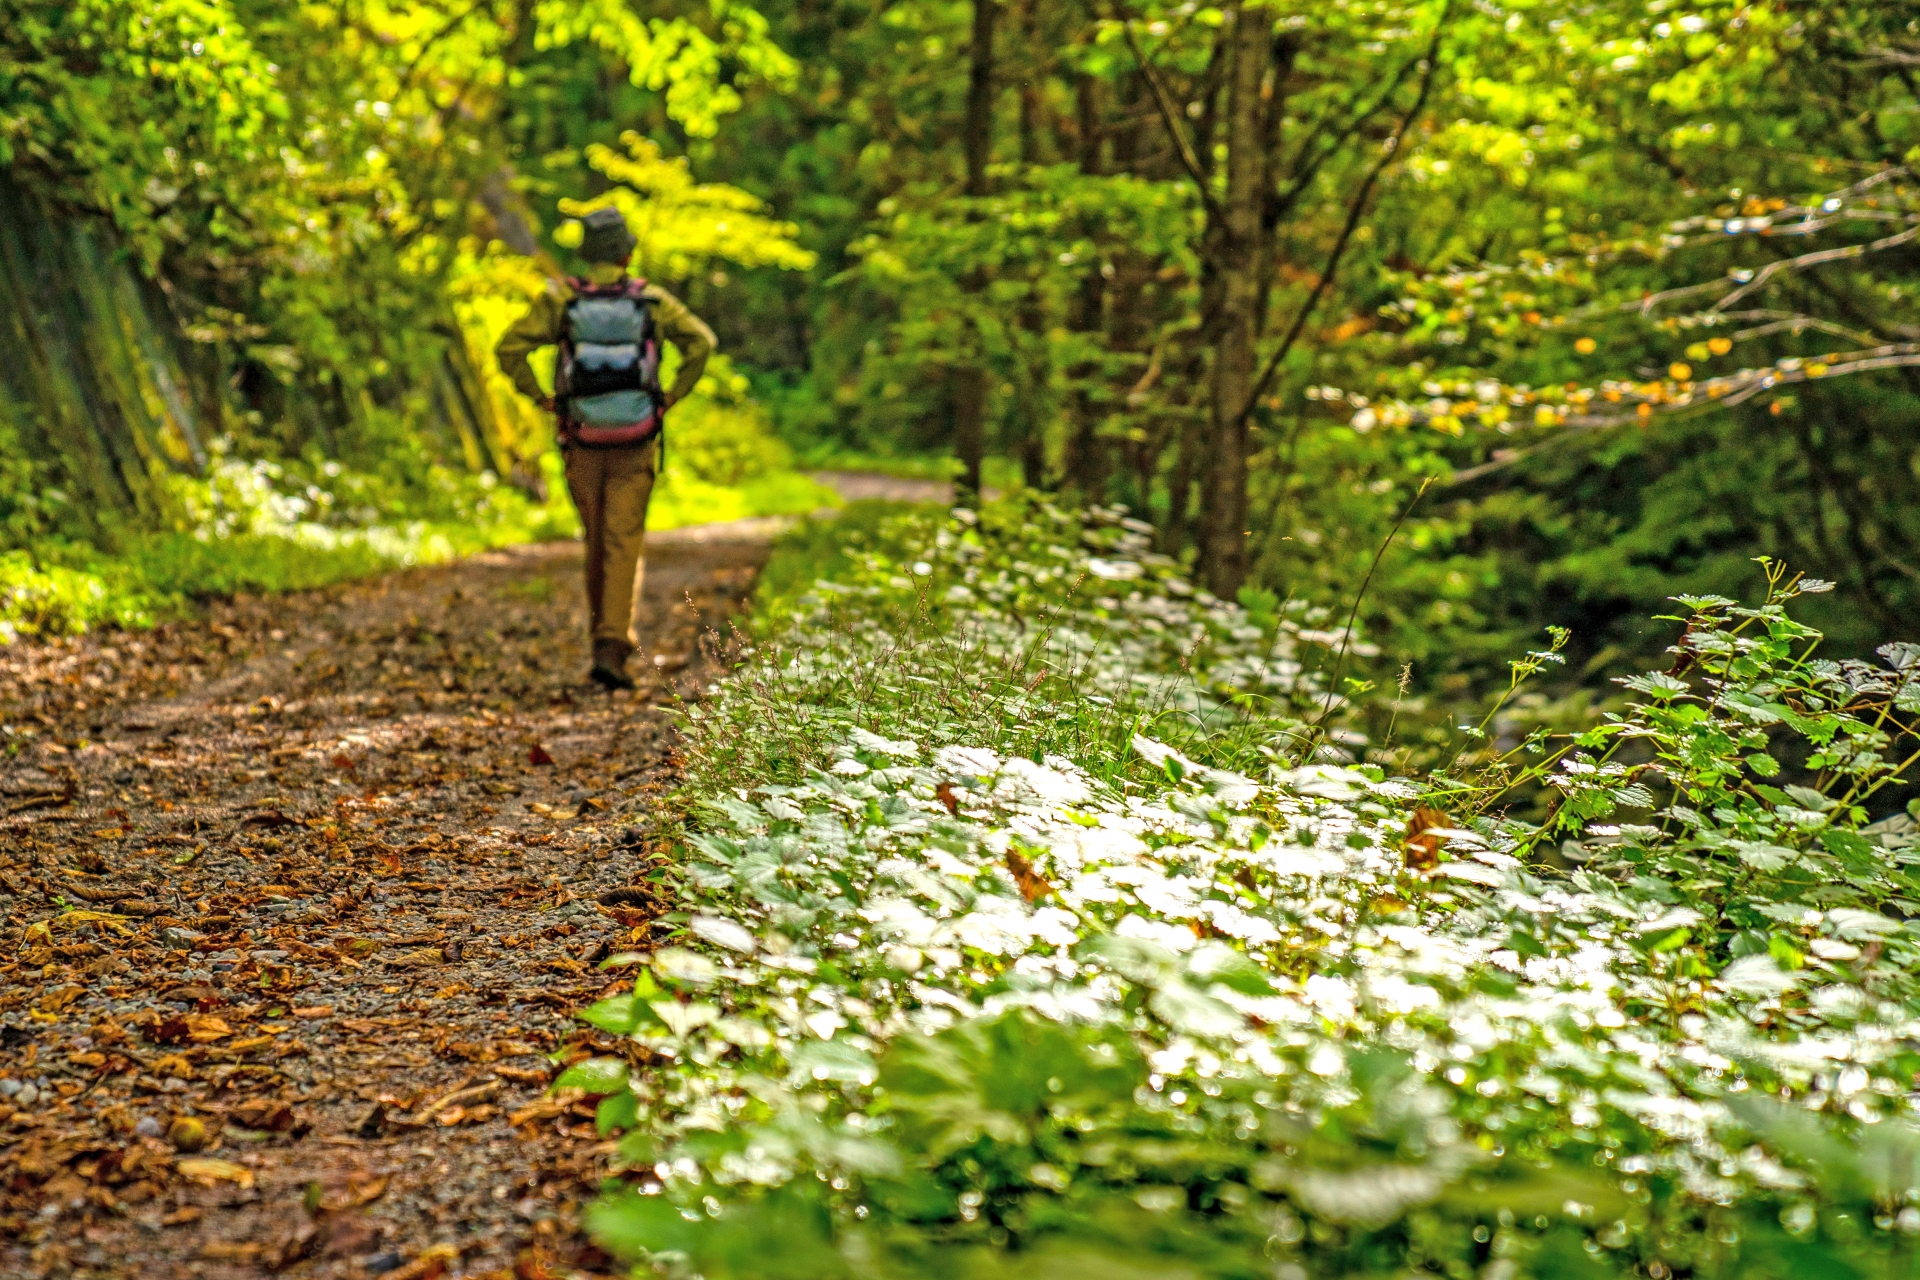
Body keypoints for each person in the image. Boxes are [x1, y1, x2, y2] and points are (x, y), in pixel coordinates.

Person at [495, 208, 715, 690]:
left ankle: (605, 639)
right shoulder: (652, 302)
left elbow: (509, 349)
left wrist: (542, 399)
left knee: (596, 538)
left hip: (581, 439)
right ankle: (611, 643)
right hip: (637, 439)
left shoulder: (561, 301)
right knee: (623, 541)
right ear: (627, 253)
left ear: (586, 255)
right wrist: (671, 397)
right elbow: (701, 343)